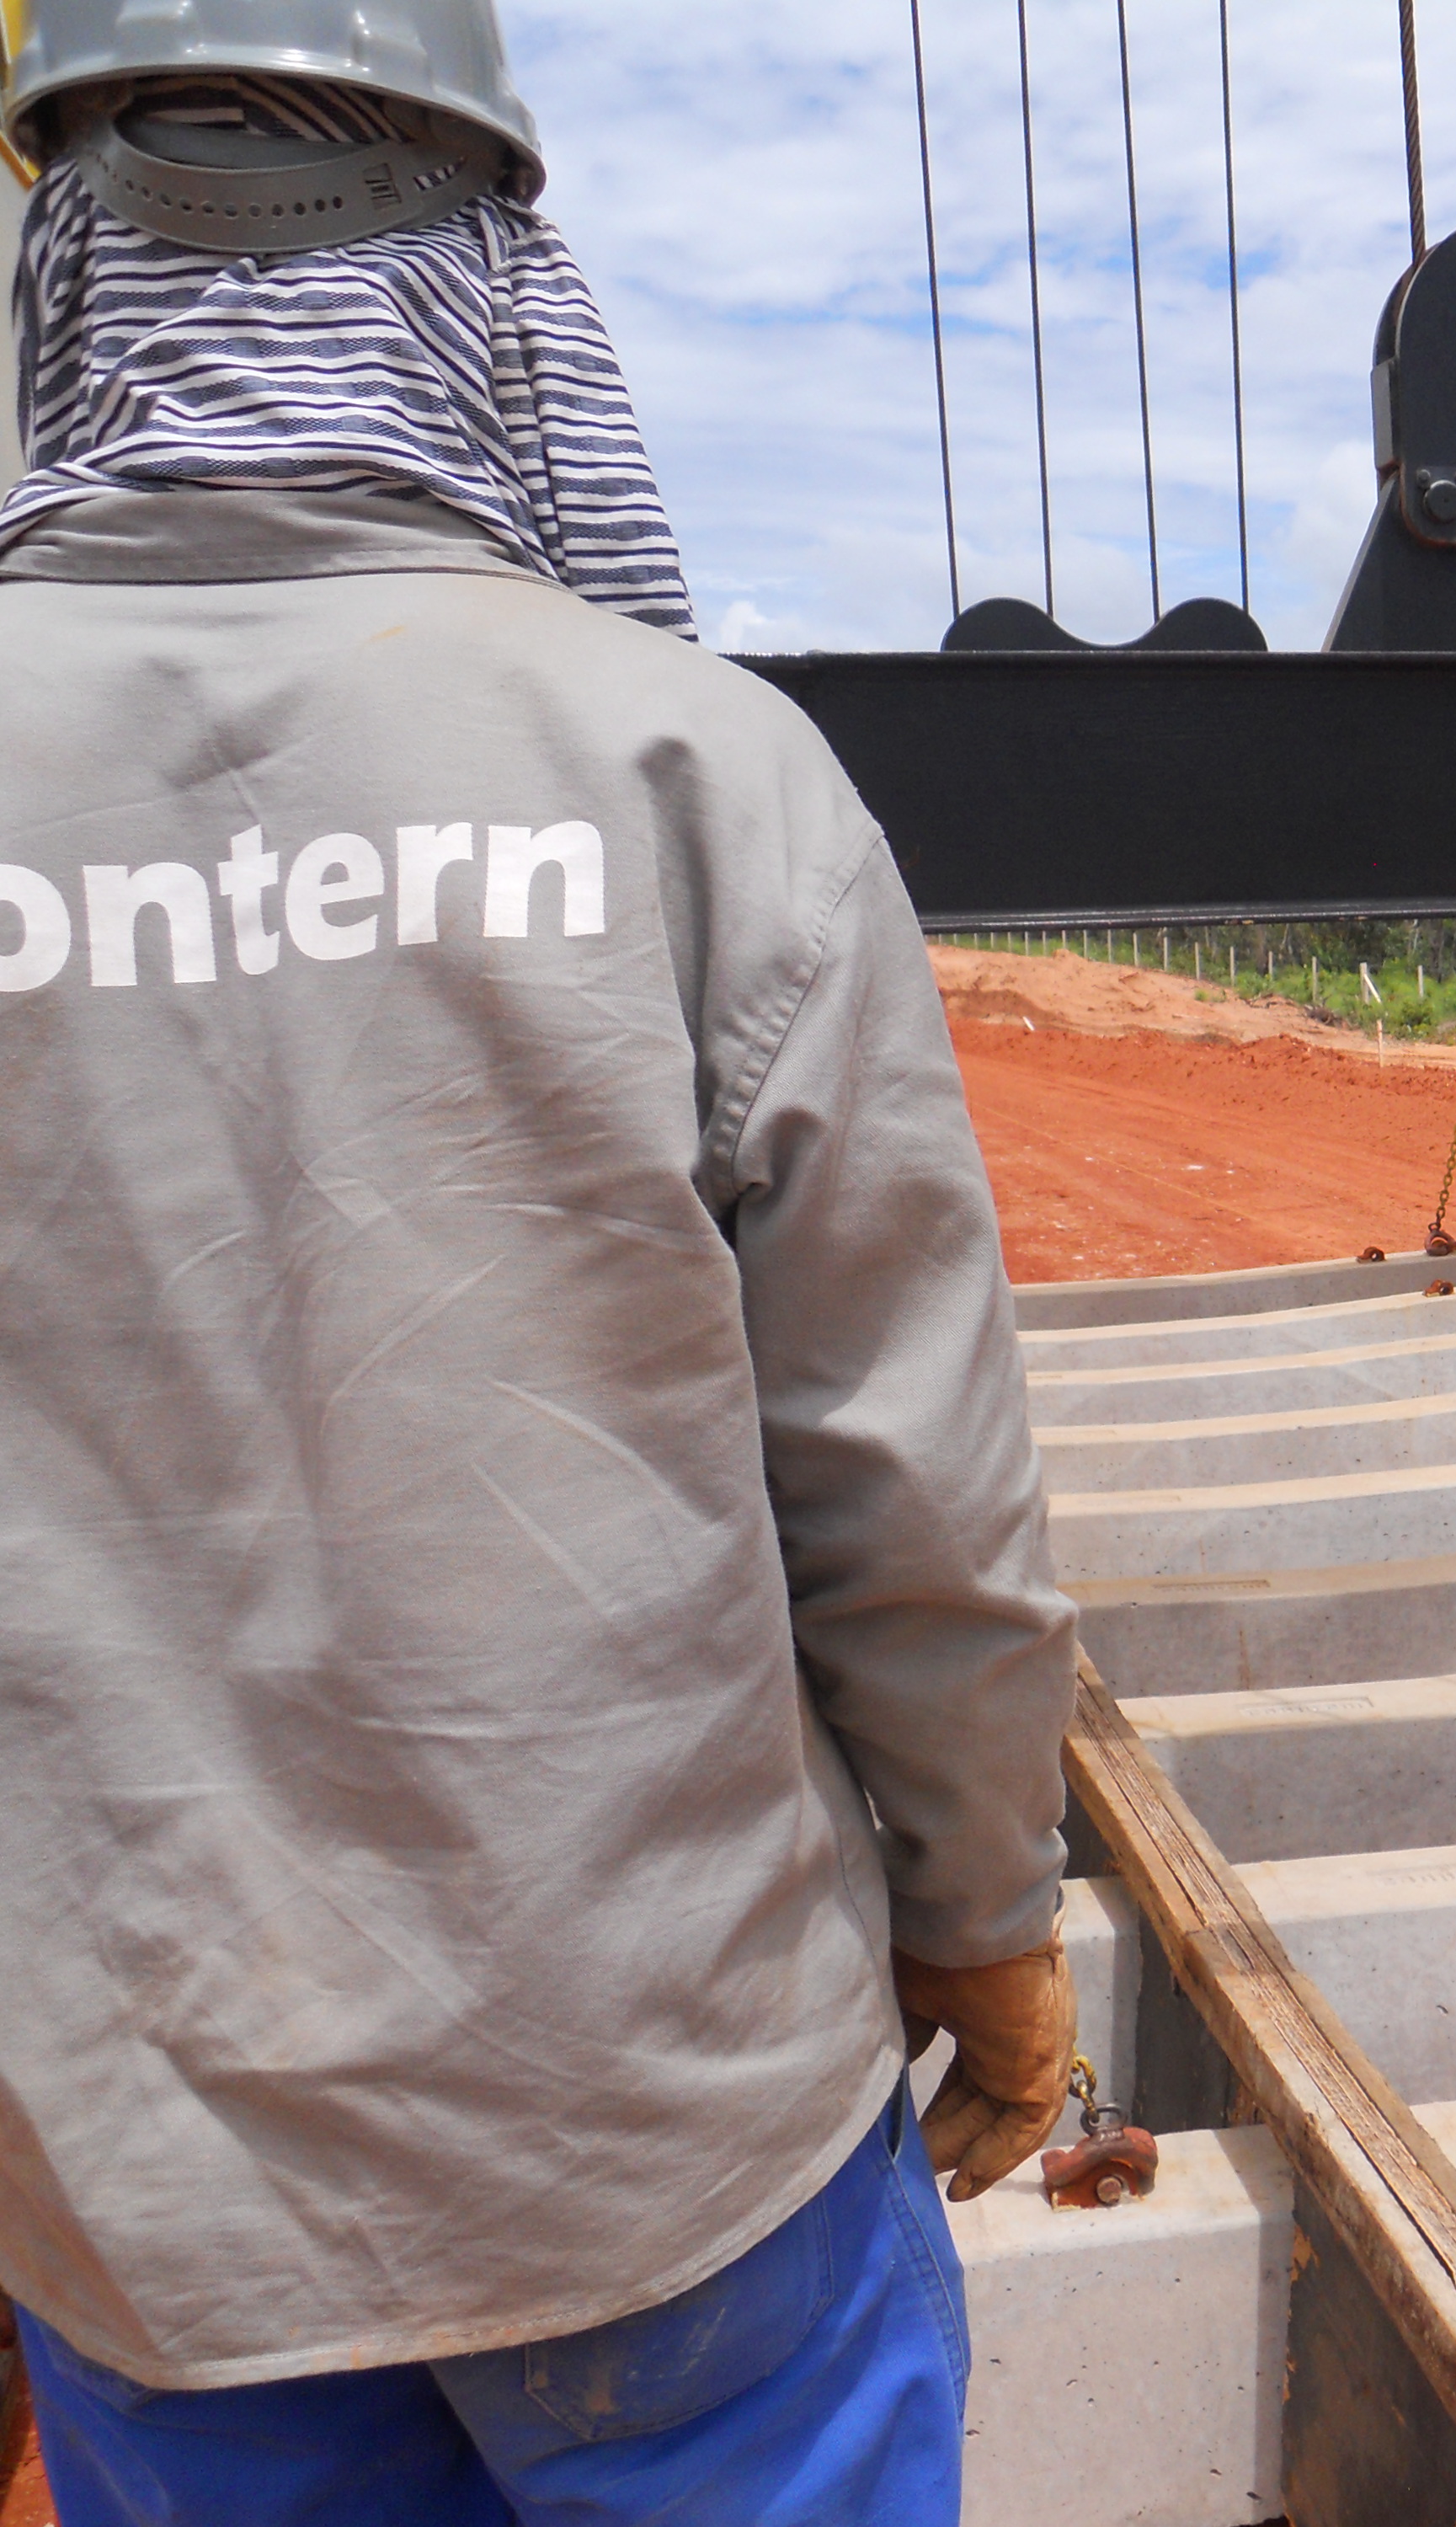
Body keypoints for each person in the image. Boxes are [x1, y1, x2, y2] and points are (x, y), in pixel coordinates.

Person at [0, 4, 1080, 2517]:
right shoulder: (692, 769)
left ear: (67, 263)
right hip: (671, 2142)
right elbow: (905, 1473)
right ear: (495, 283)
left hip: (145, 2201)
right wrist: (984, 1917)